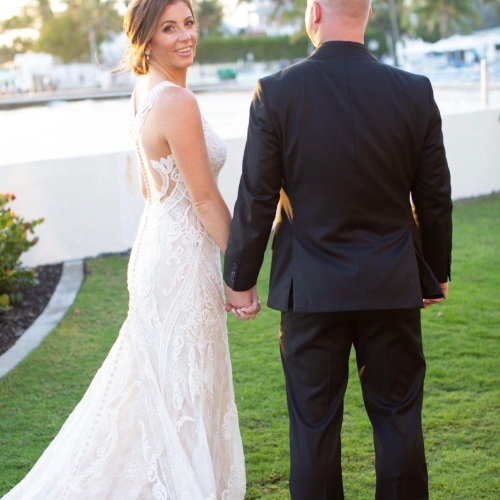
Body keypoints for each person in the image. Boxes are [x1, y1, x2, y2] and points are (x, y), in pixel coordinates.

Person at [2, 0, 259, 498]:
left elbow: (150, 190)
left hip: (157, 247)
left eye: (189, 23)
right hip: (179, 261)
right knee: (182, 383)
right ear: (146, 38)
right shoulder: (178, 102)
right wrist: (240, 275)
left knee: (167, 385)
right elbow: (205, 200)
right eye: (169, 28)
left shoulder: (144, 92)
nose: (186, 36)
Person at [224, 0, 452, 498]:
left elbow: (257, 196)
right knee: (398, 422)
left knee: (313, 430)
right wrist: (436, 271)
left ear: (314, 13)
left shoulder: (276, 92)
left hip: (311, 290)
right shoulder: (415, 91)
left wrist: (239, 278)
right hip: (390, 284)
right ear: (367, 14)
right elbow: (434, 195)